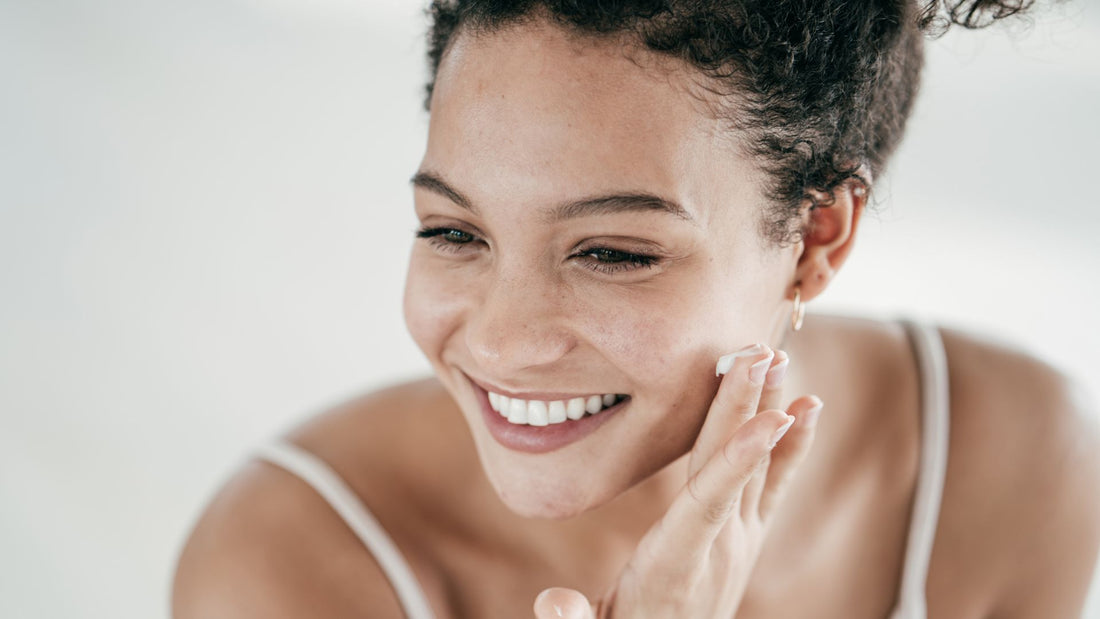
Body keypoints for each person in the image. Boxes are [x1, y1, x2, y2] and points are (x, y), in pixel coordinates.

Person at [172, 1, 1100, 617]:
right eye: (455, 231)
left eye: (613, 252)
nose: (501, 339)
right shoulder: (286, 563)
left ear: (817, 237)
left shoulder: (1013, 462)